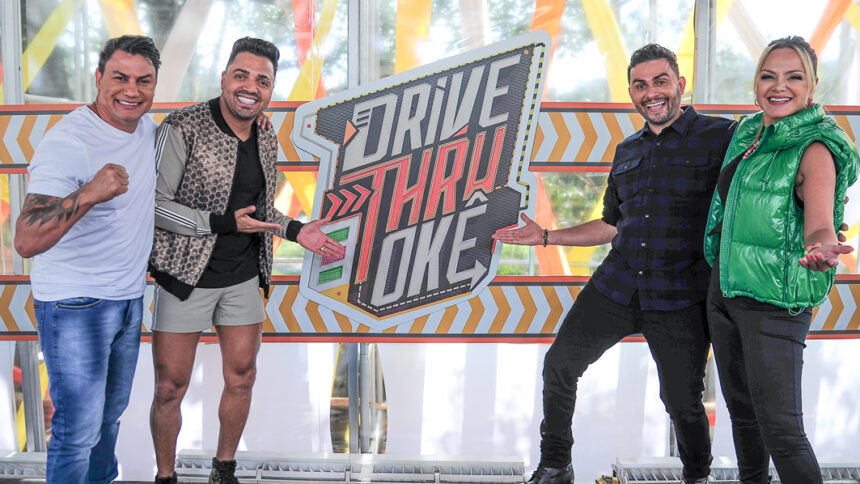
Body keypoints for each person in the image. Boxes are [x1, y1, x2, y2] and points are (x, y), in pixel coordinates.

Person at [493, 44, 735, 484]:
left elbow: (762, 186)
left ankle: (698, 476)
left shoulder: (721, 136)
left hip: (681, 294)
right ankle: (555, 466)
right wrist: (545, 236)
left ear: (680, 84)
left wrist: (814, 215)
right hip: (617, 285)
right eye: (641, 85)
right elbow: (611, 225)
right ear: (631, 95)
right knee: (560, 364)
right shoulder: (627, 151)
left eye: (661, 81)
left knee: (681, 401)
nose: (652, 93)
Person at [148, 37, 344, 484]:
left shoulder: (266, 132)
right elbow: (153, 205)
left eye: (263, 80)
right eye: (242, 75)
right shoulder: (182, 126)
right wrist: (220, 222)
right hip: (184, 275)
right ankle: (165, 476)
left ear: (270, 88)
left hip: (242, 275)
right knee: (168, 387)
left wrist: (298, 230)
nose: (251, 86)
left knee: (242, 376)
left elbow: (259, 213)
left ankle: (224, 469)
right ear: (224, 77)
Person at [703, 36, 859, 484]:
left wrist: (819, 249)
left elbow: (819, 223)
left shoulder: (814, 148)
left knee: (783, 433)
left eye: (794, 77)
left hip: (774, 302)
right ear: (756, 83)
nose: (779, 86)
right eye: (768, 76)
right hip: (726, 292)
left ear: (812, 86)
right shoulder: (750, 133)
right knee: (744, 418)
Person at [12, 36, 161, 484]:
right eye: (119, 78)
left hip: (127, 299)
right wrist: (90, 193)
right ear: (98, 79)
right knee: (76, 431)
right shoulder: (69, 142)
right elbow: (24, 238)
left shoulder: (147, 129)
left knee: (108, 419)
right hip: (76, 304)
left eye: (143, 81)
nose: (131, 90)